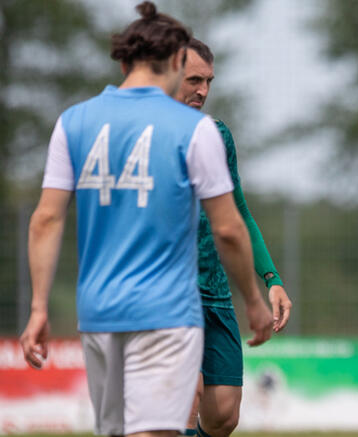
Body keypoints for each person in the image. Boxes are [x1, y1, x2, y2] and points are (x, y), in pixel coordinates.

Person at [18, 2, 274, 437]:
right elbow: (229, 226)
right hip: (167, 312)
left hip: (97, 312)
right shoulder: (194, 129)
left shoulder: (73, 121)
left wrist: (39, 307)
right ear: (177, 60)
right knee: (157, 432)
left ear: (122, 61)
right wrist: (253, 297)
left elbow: (46, 219)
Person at [173, 38, 293, 437]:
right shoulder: (148, 133)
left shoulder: (216, 135)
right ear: (170, 72)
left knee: (224, 413)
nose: (203, 91)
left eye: (209, 81)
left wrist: (271, 279)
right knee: (184, 400)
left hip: (215, 290)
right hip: (168, 292)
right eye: (194, 80)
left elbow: (238, 212)